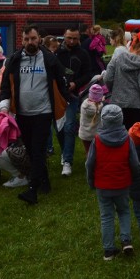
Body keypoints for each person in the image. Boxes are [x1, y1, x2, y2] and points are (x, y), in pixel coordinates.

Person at [1, 24, 71, 205]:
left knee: (38, 149)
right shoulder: (15, 60)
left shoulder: (49, 59)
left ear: (39, 39)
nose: (30, 42)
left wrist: (65, 99)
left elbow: (61, 80)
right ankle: (44, 181)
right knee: (32, 151)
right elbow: (6, 85)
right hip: (23, 113)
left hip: (43, 111)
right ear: (22, 40)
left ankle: (32, 189)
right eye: (26, 39)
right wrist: (4, 104)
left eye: (33, 39)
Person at [85, 104, 140, 260]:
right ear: (121, 119)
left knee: (106, 216)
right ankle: (126, 241)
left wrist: (91, 181)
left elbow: (89, 163)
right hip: (122, 184)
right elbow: (134, 163)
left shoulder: (97, 140)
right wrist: (134, 177)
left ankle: (109, 250)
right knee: (124, 211)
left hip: (102, 185)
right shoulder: (127, 139)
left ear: (103, 120)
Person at [55, 26, 93, 177]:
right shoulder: (57, 53)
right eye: (69, 38)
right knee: (59, 128)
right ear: (64, 36)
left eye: (75, 38)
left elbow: (88, 73)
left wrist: (75, 84)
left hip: (73, 95)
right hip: (57, 95)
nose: (71, 41)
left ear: (79, 38)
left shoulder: (83, 54)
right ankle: (65, 152)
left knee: (70, 126)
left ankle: (67, 161)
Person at [104, 39, 140, 129]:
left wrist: (113, 90)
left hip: (116, 105)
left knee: (117, 139)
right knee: (137, 140)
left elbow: (107, 78)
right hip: (137, 108)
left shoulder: (117, 59)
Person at [0, 99, 29, 188]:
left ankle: (21, 177)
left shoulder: (20, 117)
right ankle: (22, 174)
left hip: (26, 148)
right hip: (21, 147)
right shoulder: (11, 115)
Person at [79, 84, 106, 155]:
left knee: (88, 152)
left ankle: (88, 164)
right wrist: (102, 100)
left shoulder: (84, 104)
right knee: (97, 152)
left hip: (84, 134)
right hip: (96, 135)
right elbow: (99, 106)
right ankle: (96, 165)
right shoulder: (100, 107)